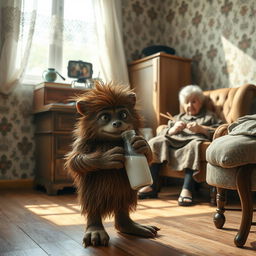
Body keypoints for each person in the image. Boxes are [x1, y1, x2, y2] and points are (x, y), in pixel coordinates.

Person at [138, 85, 223, 206]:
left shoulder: (209, 116)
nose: (189, 105)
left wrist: (201, 129)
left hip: (192, 141)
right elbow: (163, 132)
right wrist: (172, 130)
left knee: (194, 145)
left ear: (200, 102)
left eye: (193, 101)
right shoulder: (178, 117)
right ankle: (152, 186)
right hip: (173, 140)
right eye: (186, 102)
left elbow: (220, 130)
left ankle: (187, 189)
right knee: (154, 142)